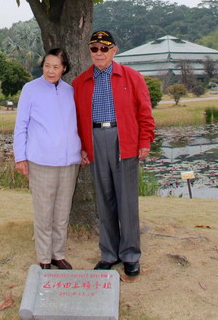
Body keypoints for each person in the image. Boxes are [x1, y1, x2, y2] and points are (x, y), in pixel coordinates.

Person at [72, 30, 155, 277]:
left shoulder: (131, 77)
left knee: (127, 200)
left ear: (114, 50)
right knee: (104, 198)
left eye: (104, 48)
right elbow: (76, 119)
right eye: (94, 49)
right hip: (95, 139)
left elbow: (144, 112)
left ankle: (130, 255)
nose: (99, 53)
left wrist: (145, 140)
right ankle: (108, 253)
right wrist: (82, 146)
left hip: (124, 138)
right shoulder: (80, 82)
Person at [14, 48, 81, 270]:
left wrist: (81, 150)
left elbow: (76, 124)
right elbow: (21, 126)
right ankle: (44, 258)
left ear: (64, 68)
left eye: (56, 67)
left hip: (69, 162)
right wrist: (20, 157)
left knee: (62, 213)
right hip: (41, 161)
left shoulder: (70, 91)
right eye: (47, 66)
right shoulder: (30, 89)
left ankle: (57, 254)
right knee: (44, 213)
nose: (50, 71)